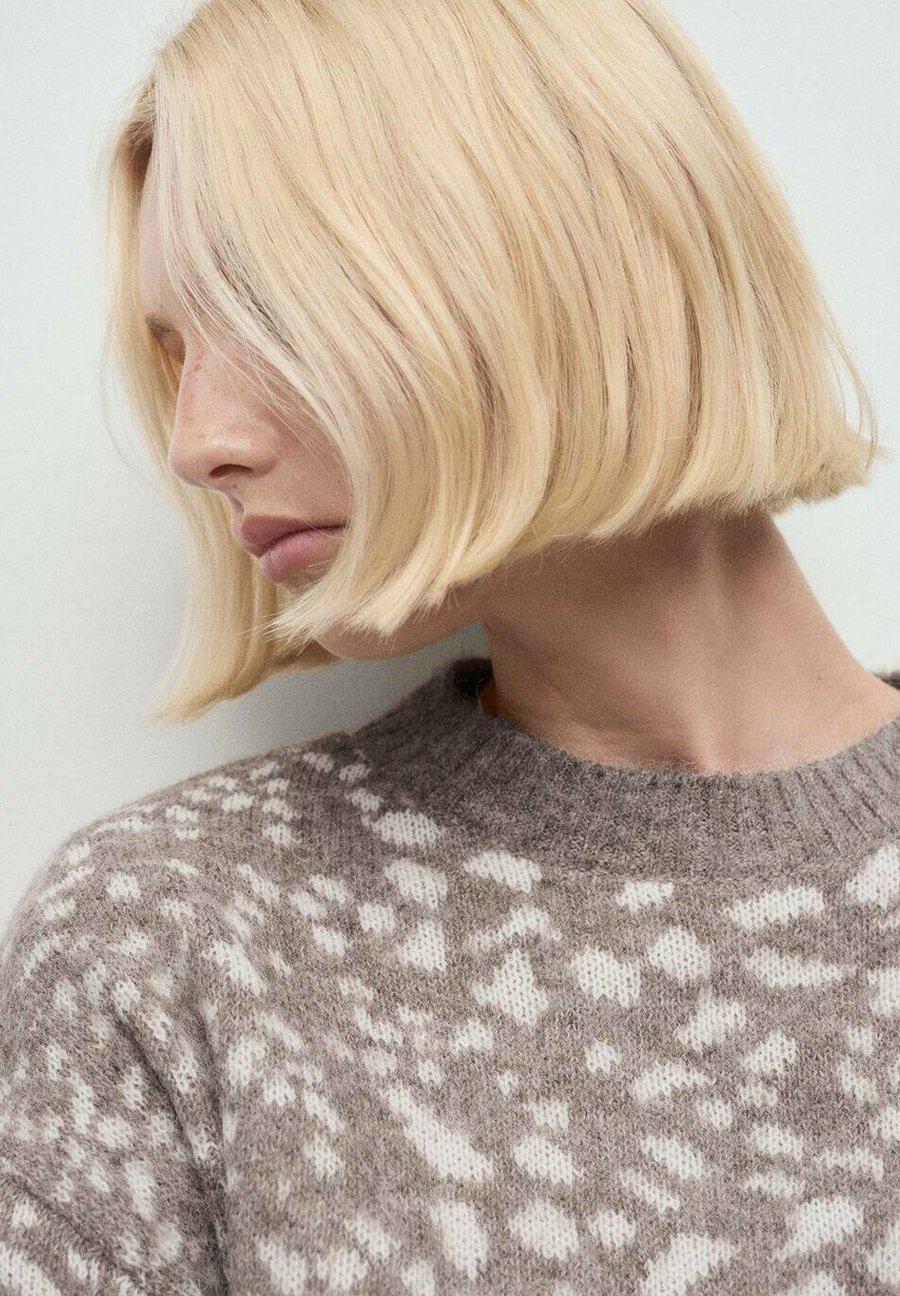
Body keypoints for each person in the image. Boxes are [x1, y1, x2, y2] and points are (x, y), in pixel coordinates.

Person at [2, 0, 898, 1291]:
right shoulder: (180, 937)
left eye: (261, 309)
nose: (197, 444)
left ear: (554, 258)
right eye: (176, 350)